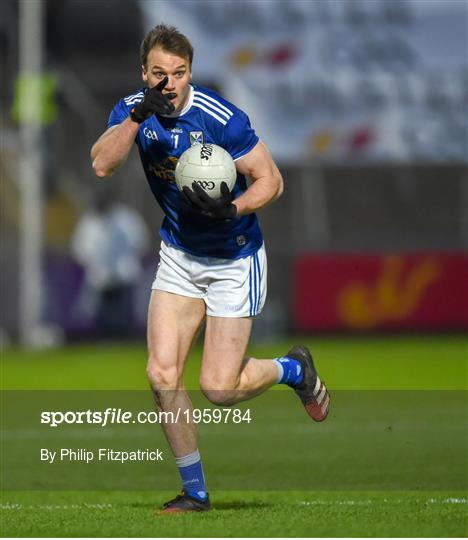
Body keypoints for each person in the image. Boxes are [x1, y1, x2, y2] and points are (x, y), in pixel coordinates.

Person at [91, 24, 329, 513]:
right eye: (159, 73)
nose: (169, 83)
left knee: (219, 388)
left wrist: (235, 209)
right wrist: (136, 117)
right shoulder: (135, 110)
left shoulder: (221, 117)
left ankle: (293, 368)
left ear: (190, 72)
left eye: (178, 73)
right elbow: (101, 163)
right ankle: (195, 492)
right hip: (179, 256)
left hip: (232, 259)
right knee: (161, 373)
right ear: (145, 73)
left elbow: (271, 180)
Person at [71, 190, 149, 337]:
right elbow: (80, 248)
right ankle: (105, 340)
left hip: (125, 275)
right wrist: (93, 263)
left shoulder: (125, 218)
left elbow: (140, 241)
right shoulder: (89, 222)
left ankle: (123, 340)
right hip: (99, 277)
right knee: (102, 316)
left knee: (123, 315)